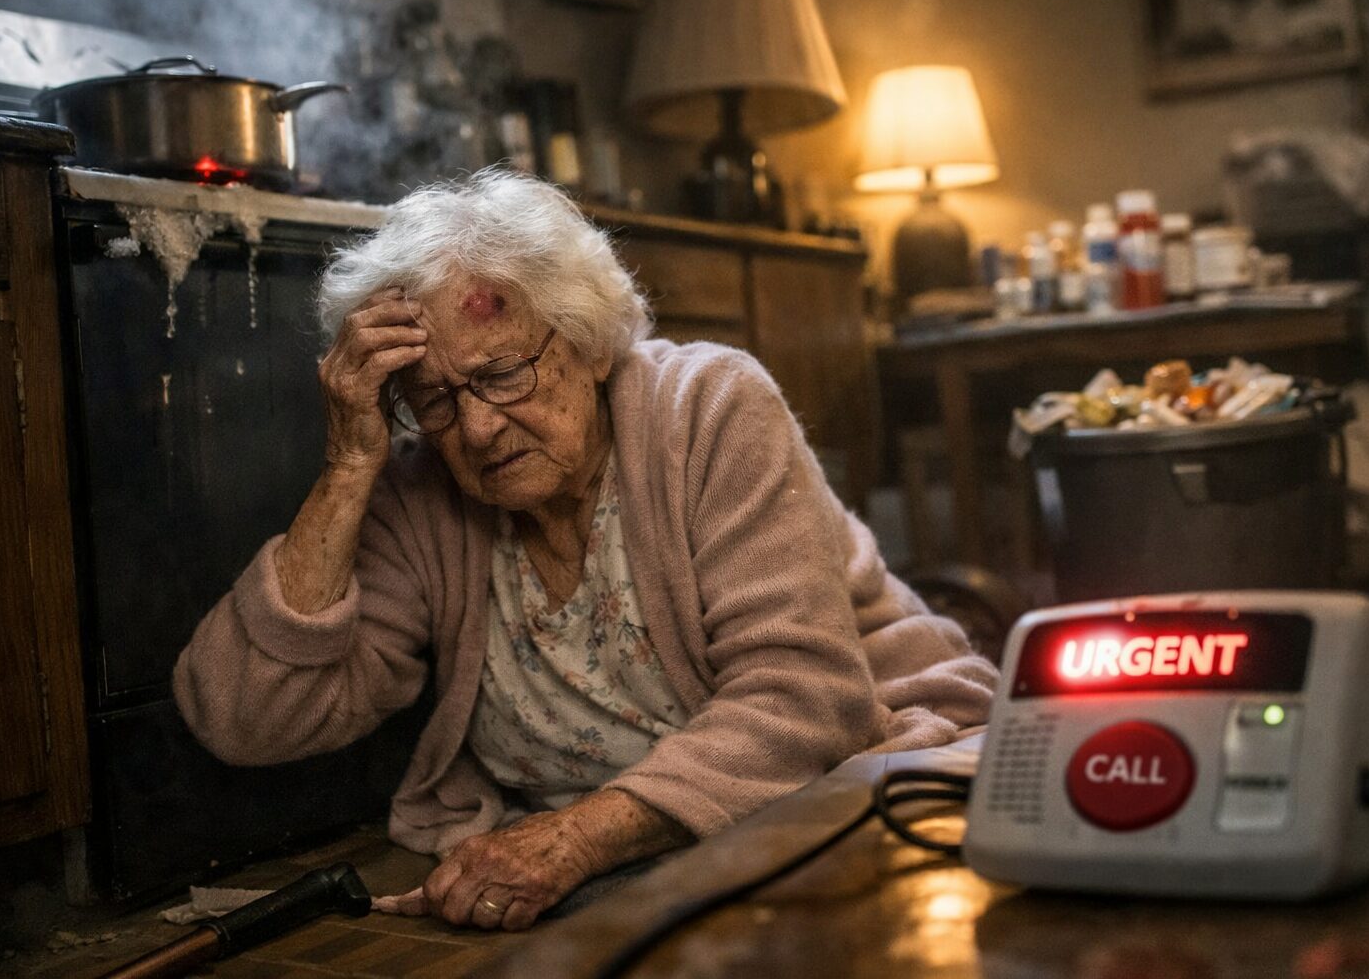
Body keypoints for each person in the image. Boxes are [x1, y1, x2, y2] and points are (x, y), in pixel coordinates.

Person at [174, 169, 997, 931]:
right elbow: (244, 720)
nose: (478, 427)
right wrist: (350, 465)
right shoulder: (427, 491)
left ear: (590, 342)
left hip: (857, 777)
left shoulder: (709, 408)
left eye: (501, 374)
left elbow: (804, 701)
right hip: (642, 862)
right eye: (434, 400)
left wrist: (572, 841)